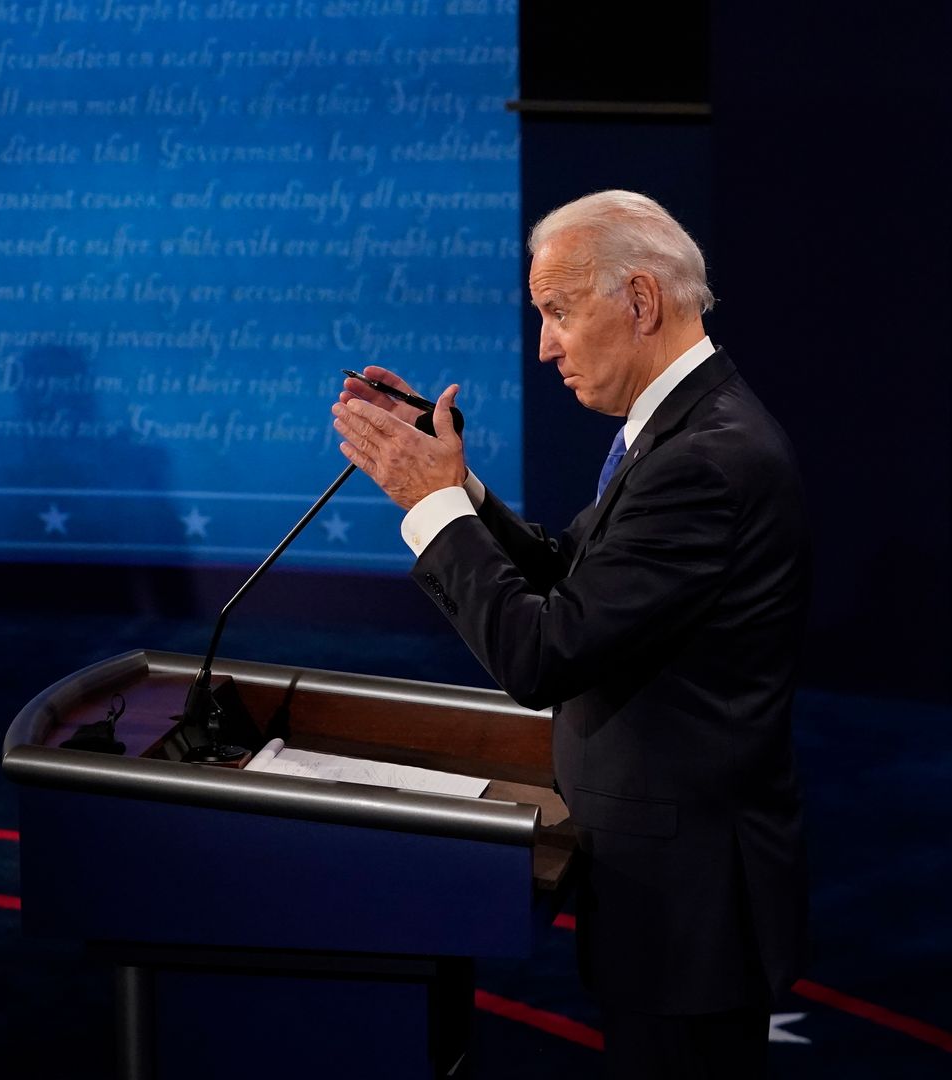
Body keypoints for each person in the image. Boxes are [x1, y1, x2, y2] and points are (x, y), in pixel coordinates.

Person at [332, 190, 809, 1078]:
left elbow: (543, 653)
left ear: (639, 300)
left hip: (691, 905)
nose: (545, 344)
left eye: (557, 312)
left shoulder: (705, 457)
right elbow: (580, 578)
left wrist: (430, 507)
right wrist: (461, 493)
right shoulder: (680, 427)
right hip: (666, 886)